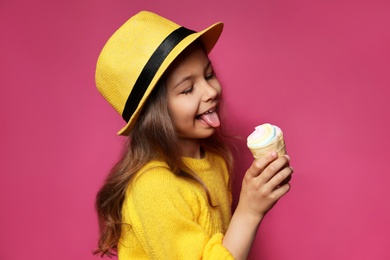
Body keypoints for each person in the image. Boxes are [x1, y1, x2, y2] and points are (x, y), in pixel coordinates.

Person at [94, 10, 293, 260]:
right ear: (155, 114)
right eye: (188, 89)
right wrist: (249, 211)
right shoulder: (153, 188)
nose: (211, 91)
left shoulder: (214, 160)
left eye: (209, 75)